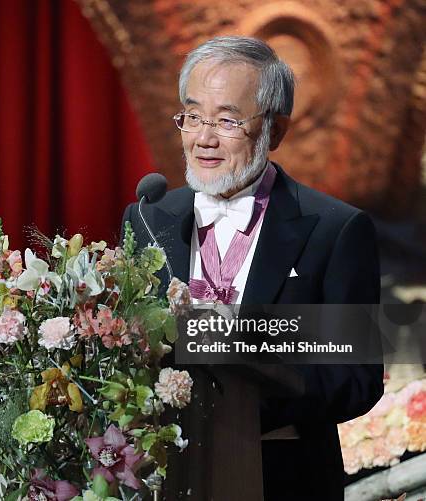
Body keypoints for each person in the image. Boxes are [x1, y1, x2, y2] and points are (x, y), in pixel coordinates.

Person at [121, 36, 383, 500]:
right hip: (163, 476)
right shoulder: (147, 216)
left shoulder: (335, 230)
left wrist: (248, 398)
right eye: (193, 116)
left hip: (282, 477)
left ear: (275, 132)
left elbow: (355, 378)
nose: (204, 138)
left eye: (227, 120)